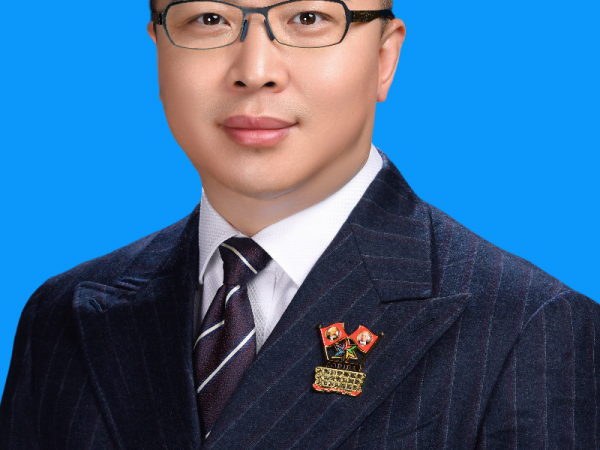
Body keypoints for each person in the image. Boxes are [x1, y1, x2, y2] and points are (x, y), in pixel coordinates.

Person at [1, 0, 598, 447]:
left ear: (384, 57)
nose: (255, 70)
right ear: (159, 50)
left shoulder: (531, 327)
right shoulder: (64, 313)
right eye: (208, 19)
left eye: (309, 18)